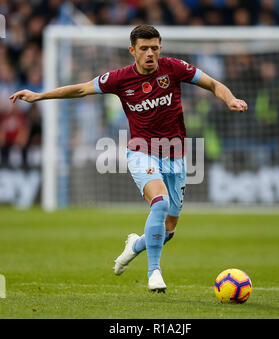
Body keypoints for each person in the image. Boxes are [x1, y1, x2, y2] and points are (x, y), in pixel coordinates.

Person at [10, 24, 248, 293]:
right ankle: (154, 272)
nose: (150, 53)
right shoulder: (120, 78)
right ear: (132, 50)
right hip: (141, 151)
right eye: (144, 48)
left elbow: (214, 84)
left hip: (176, 155)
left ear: (160, 48)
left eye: (155, 48)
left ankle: (135, 245)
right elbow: (80, 89)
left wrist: (230, 98)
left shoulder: (174, 68)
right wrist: (39, 95)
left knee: (168, 231)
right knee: (159, 203)